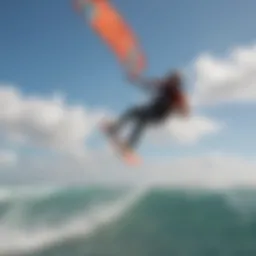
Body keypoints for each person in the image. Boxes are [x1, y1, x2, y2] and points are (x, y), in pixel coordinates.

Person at [103, 70, 190, 155]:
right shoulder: (163, 85)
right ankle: (114, 129)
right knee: (132, 111)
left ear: (177, 83)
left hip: (158, 116)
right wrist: (134, 79)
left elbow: (185, 112)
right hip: (150, 110)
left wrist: (175, 108)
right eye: (171, 79)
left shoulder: (177, 95)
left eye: (174, 81)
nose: (171, 81)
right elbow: (147, 84)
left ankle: (129, 146)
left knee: (142, 120)